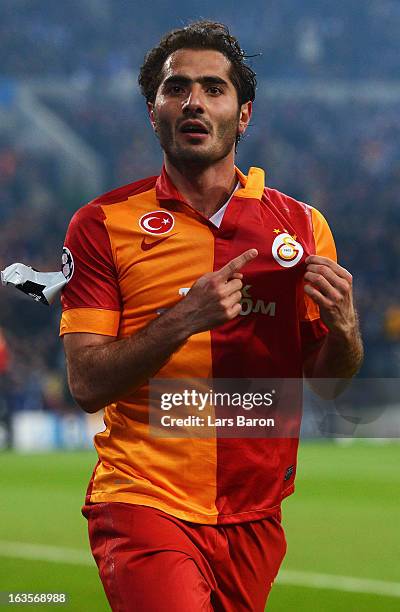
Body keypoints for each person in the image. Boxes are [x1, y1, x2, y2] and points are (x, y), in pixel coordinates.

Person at [60, 20, 363, 612]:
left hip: (254, 513)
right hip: (144, 497)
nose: (193, 101)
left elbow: (330, 383)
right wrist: (184, 317)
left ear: (243, 114)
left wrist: (347, 333)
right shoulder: (101, 225)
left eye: (212, 88)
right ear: (154, 112)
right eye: (176, 89)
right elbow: (86, 383)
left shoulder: (302, 228)